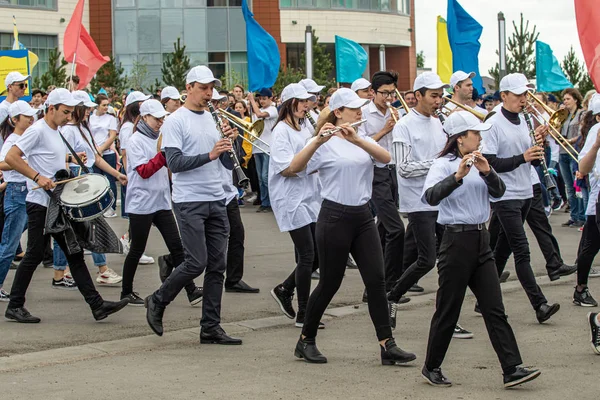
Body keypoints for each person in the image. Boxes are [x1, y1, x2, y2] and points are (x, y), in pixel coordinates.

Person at [288, 88, 416, 366]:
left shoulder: (361, 137)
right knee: (330, 282)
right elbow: (295, 168)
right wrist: (316, 142)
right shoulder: (324, 143)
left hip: (362, 216)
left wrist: (358, 138)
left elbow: (385, 158)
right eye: (354, 108)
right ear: (338, 112)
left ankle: (387, 345)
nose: (360, 112)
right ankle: (305, 340)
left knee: (376, 280)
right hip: (334, 217)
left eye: (361, 107)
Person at [420, 110, 541, 389]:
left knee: (494, 308)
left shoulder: (482, 162)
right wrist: (457, 176)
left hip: (480, 240)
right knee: (448, 309)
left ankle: (512, 368)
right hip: (455, 241)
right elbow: (430, 197)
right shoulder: (441, 164)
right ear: (461, 139)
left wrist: (487, 171)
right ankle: (432, 366)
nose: (480, 137)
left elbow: (498, 192)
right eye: (475, 134)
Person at [4, 88, 130, 323]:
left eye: (71, 112)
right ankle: (15, 304)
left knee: (74, 253)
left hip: (57, 202)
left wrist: (72, 159)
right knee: (33, 254)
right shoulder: (37, 130)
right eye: (65, 111)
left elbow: (50, 158)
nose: (69, 116)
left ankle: (97, 305)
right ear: (51, 109)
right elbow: (11, 157)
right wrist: (36, 177)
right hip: (40, 204)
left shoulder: (57, 131)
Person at [144, 66, 241, 345]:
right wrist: (211, 153)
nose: (209, 93)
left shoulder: (215, 118)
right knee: (196, 262)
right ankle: (158, 300)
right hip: (189, 200)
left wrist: (227, 147)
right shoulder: (176, 121)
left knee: (217, 265)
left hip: (216, 198)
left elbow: (224, 163)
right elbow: (174, 163)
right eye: (203, 88)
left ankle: (211, 327)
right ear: (189, 88)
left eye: (211, 88)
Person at [388, 72, 472, 339]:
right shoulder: (404, 125)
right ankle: (391, 296)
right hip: (419, 201)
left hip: (443, 200)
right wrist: (437, 165)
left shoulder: (441, 123)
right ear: (418, 96)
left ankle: (448, 319)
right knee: (426, 260)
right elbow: (403, 168)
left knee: (449, 263)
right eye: (434, 96)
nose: (439, 101)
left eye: (441, 96)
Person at [482, 73, 560, 323]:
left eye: (525, 94)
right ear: (503, 96)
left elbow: (533, 159)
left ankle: (484, 298)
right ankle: (540, 304)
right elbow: (490, 163)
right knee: (522, 251)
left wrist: (539, 147)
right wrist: (524, 157)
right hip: (505, 195)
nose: (523, 99)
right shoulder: (493, 122)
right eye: (518, 95)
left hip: (526, 190)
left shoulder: (526, 119)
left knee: (500, 250)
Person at [52, 91, 127, 288]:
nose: (88, 112)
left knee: (83, 227)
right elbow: (62, 159)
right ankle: (66, 271)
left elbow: (96, 157)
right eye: (85, 108)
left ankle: (66, 271)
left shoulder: (82, 128)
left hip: (84, 180)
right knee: (76, 228)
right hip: (75, 182)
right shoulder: (69, 130)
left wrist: (116, 174)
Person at [268, 84, 321, 326]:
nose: (306, 105)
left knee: (318, 255)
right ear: (289, 103)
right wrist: (311, 161)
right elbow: (286, 169)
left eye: (308, 101)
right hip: (290, 198)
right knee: (308, 254)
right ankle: (304, 313)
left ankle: (284, 288)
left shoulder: (304, 127)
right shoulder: (281, 131)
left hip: (309, 196)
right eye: (301, 101)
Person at [358, 71, 405, 296]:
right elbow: (361, 143)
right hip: (375, 173)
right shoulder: (364, 114)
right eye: (384, 93)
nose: (388, 97)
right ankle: (389, 285)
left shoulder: (396, 112)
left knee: (384, 229)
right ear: (372, 93)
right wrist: (385, 130)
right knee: (397, 229)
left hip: (393, 170)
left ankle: (374, 287)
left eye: (392, 92)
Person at [0, 101, 39, 301]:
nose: (31, 119)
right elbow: (2, 163)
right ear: (14, 120)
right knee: (9, 245)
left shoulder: (26, 137)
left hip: (26, 193)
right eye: (26, 117)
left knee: (12, 242)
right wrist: (20, 163)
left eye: (32, 116)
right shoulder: (12, 140)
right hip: (16, 192)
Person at [117, 91, 155, 265]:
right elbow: (125, 153)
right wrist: (128, 174)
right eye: (141, 103)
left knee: (140, 218)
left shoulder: (135, 126)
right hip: (134, 177)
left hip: (139, 178)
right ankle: (133, 246)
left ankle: (128, 239)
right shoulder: (127, 128)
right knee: (138, 216)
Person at [573, 96, 600, 307]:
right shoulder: (595, 133)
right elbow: (583, 168)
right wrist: (597, 145)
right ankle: (580, 289)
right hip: (598, 199)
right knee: (590, 245)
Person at [559, 88, 586, 228]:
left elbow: (582, 133)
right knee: (569, 186)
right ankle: (573, 216)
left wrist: (569, 141)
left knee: (577, 187)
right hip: (562, 152)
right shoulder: (564, 115)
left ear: (576, 99)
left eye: (568, 99)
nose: (565, 102)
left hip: (574, 151)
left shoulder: (581, 114)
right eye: (564, 99)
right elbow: (556, 131)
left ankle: (581, 216)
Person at [89, 93, 119, 218]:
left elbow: (112, 136)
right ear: (97, 106)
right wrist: (94, 149)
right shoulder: (90, 118)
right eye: (104, 105)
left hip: (107, 153)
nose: (106, 107)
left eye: (107, 105)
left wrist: (101, 148)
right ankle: (98, 207)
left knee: (109, 180)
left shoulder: (111, 118)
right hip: (94, 152)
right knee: (97, 180)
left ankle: (111, 207)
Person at [248, 88, 277, 212]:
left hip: (268, 147)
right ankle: (265, 202)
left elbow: (260, 115)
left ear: (271, 99)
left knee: (266, 176)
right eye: (260, 99)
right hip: (257, 147)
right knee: (260, 177)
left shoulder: (272, 110)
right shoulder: (255, 112)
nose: (262, 101)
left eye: (264, 99)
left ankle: (272, 202)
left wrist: (251, 100)